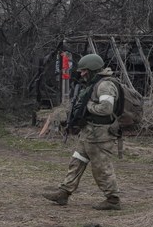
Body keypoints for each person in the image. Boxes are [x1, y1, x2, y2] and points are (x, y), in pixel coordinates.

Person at [43, 53, 122, 210]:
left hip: (100, 135)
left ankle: (113, 199)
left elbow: (107, 108)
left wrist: (88, 108)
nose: (82, 73)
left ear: (93, 69)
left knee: (101, 167)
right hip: (89, 132)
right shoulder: (95, 83)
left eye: (85, 70)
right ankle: (64, 193)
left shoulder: (105, 85)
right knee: (77, 161)